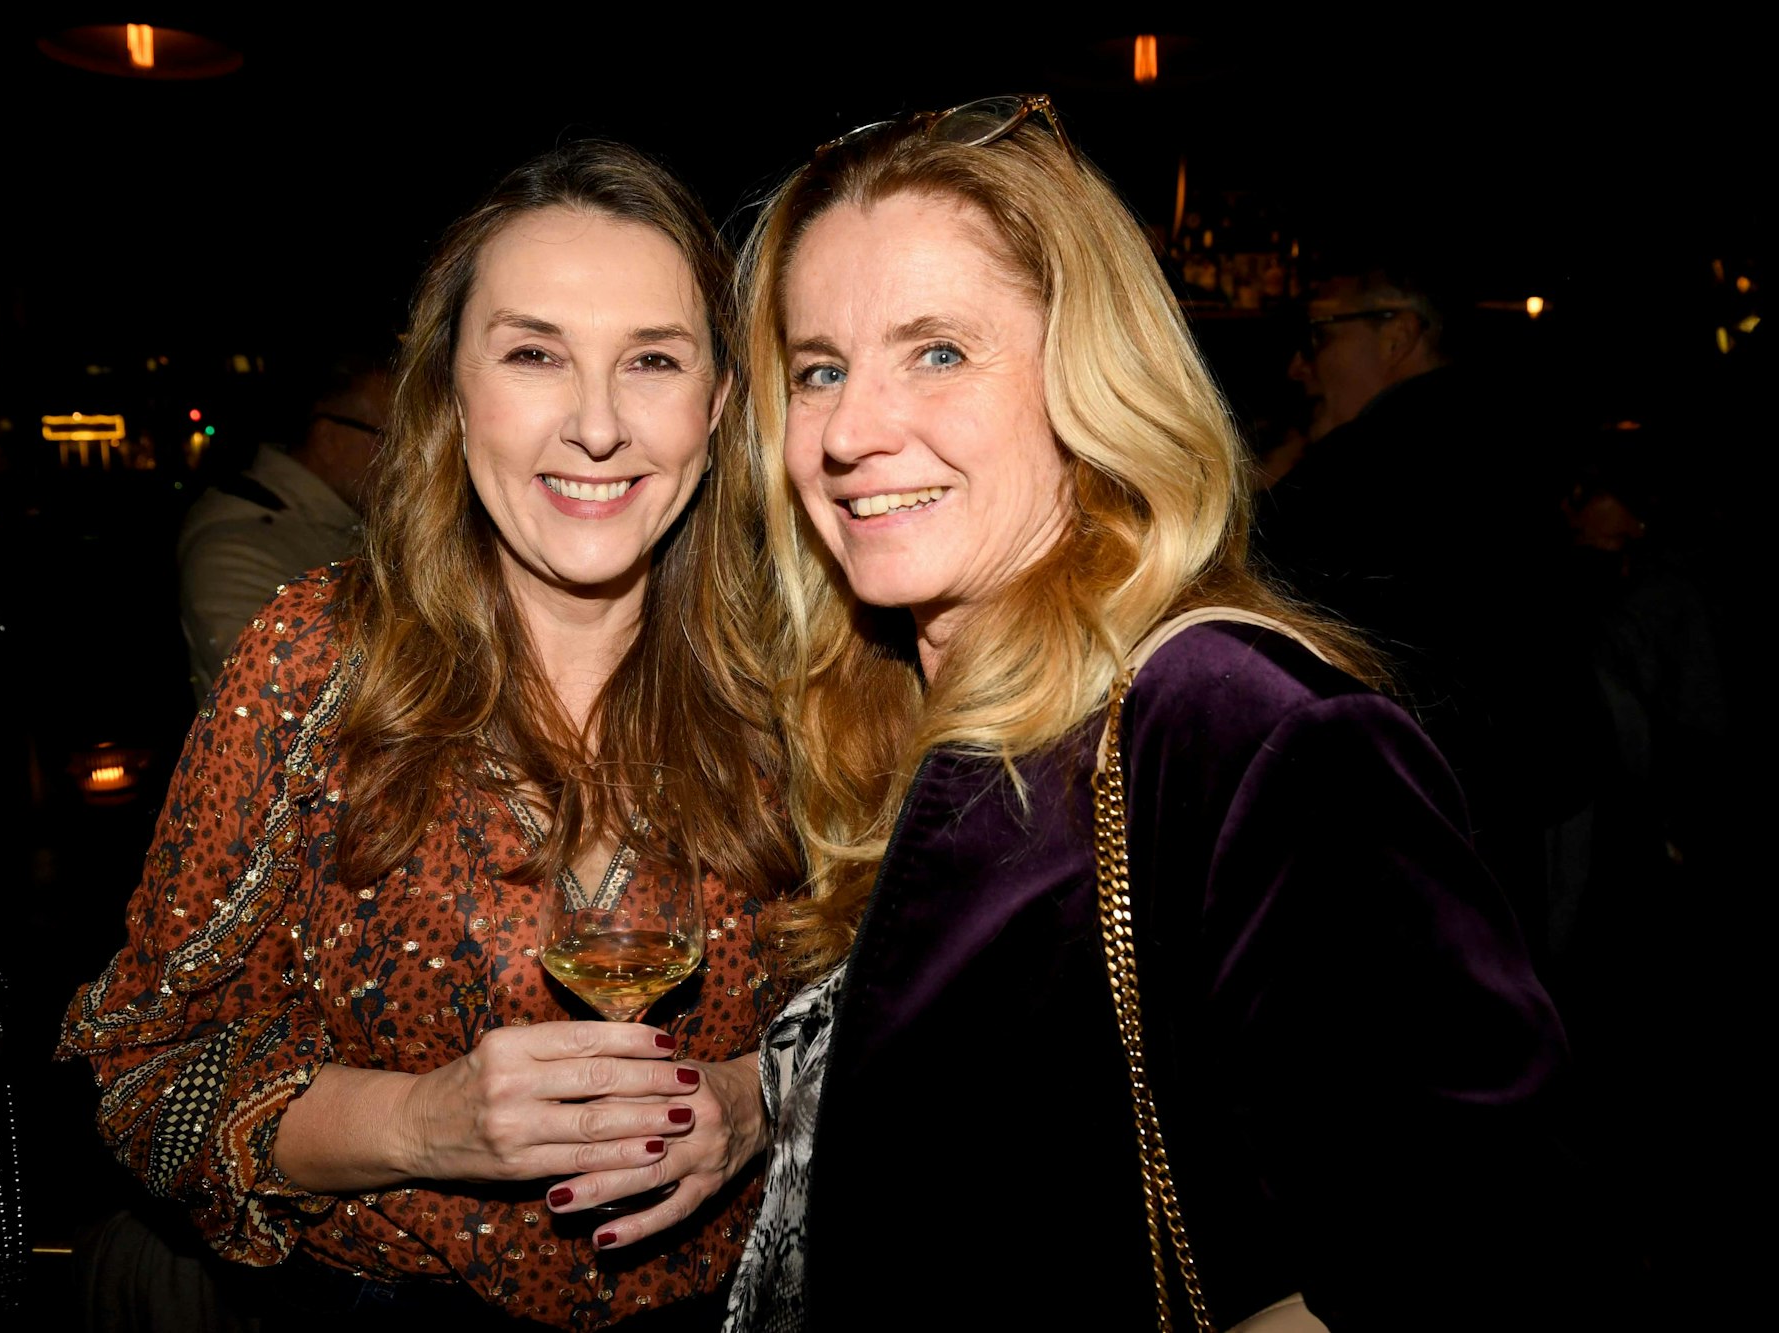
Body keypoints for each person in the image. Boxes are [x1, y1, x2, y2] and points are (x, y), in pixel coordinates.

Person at [675, 95, 1599, 1330]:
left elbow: (1480, 1245)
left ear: (1087, 375)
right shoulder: (883, 709)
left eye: (937, 352)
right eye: (820, 369)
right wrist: (766, 1100)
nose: (848, 431)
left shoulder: (1237, 728)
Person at [56, 141, 795, 1330]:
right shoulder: (313, 663)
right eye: (533, 353)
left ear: (716, 405)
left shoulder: (807, 681)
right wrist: (420, 1122)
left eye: (651, 359)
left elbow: (915, 1018)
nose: (596, 426)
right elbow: (142, 1074)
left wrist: (759, 1102)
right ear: (451, 391)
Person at [1255, 255, 1603, 959]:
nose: (1300, 366)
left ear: (1398, 334)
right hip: (1535, 795)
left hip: (1450, 818)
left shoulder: (1378, 457)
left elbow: (1243, 581)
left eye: (1321, 334)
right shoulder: (1494, 430)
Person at [177, 350, 393, 698]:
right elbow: (284, 699)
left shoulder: (350, 523)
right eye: (389, 437)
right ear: (329, 440)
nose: (405, 458)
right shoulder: (232, 549)